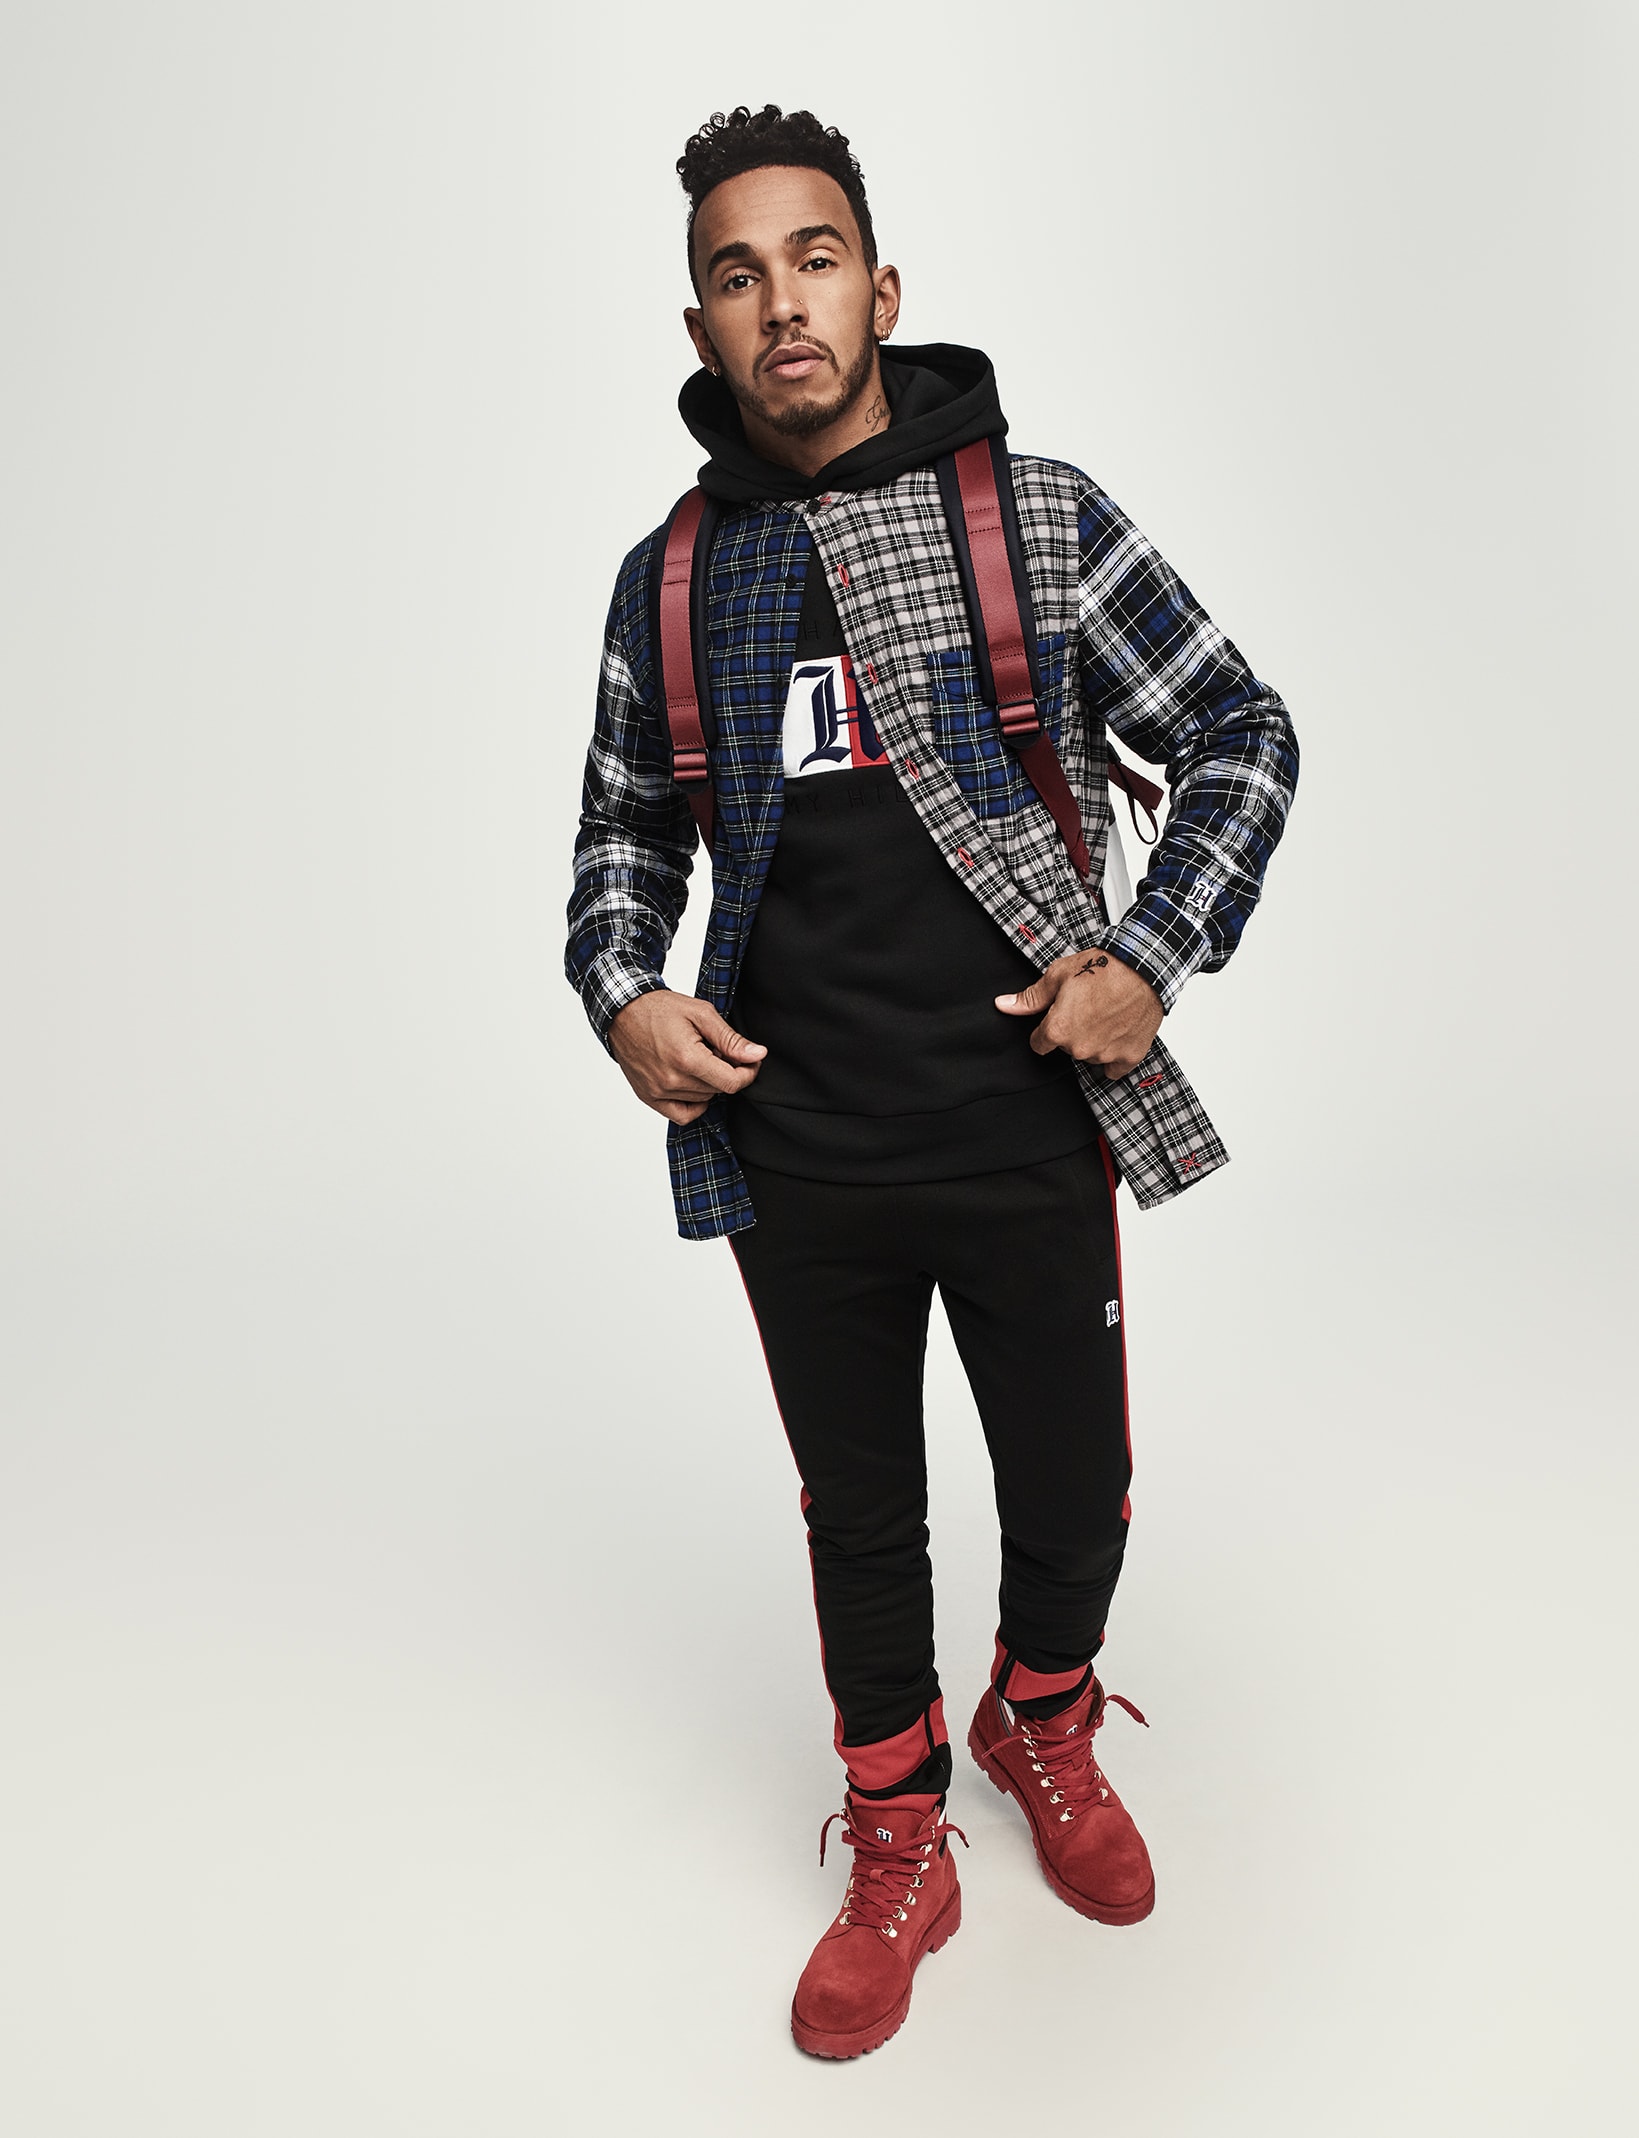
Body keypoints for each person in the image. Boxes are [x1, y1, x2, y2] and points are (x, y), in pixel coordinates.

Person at [565, 103, 1298, 2060]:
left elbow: (1241, 727)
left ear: (881, 289)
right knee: (858, 1510)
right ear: (703, 327)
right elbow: (623, 831)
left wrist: (1150, 956)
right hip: (796, 1146)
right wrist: (622, 993)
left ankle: (1040, 1718)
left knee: (1073, 1480)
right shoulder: (670, 580)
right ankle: (899, 1834)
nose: (781, 304)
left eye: (813, 260)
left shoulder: (1028, 515)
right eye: (736, 276)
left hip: (1022, 1119)